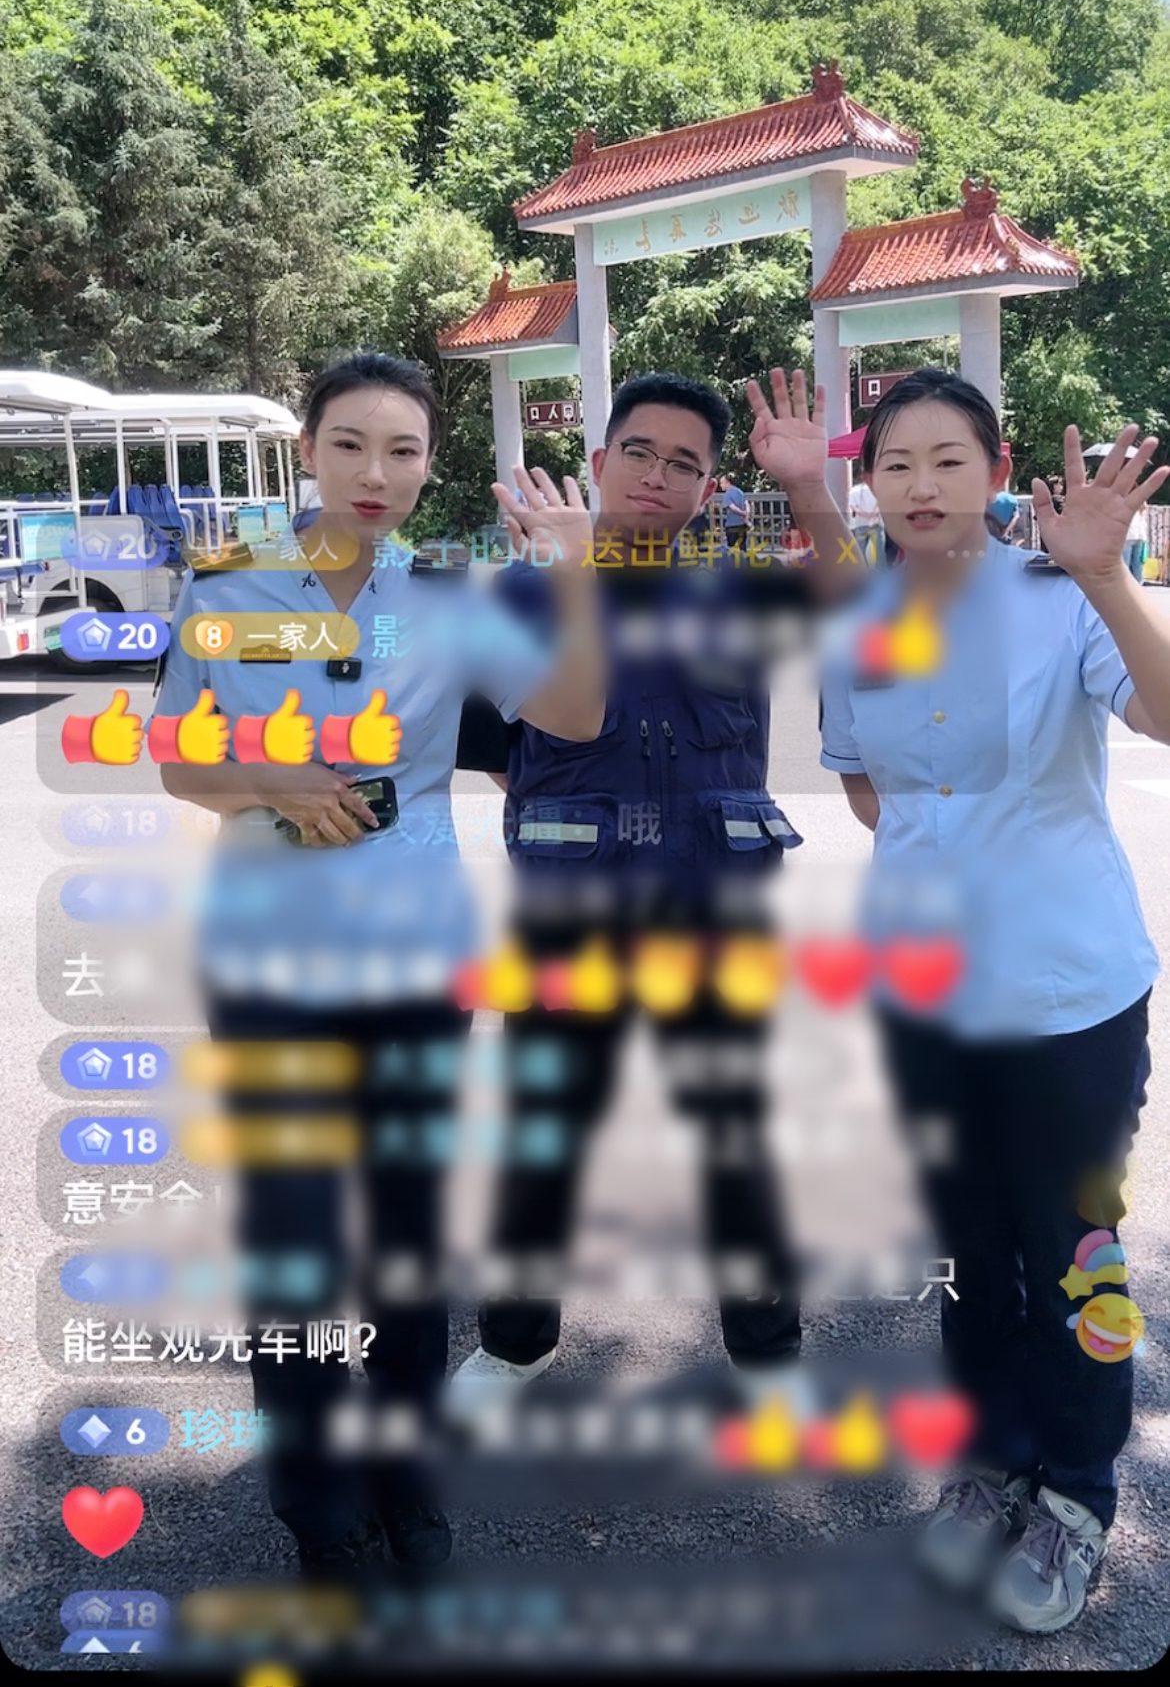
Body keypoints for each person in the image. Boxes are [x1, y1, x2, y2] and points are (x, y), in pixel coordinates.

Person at [151, 352, 606, 1582]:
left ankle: (405, 1471)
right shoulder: (227, 582)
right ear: (307, 451)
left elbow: (572, 716)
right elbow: (177, 758)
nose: (375, 471)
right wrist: (273, 780)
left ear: (427, 467)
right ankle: (318, 1504)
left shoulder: (448, 597)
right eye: (349, 443)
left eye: (402, 450)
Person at [819, 367, 1170, 1636]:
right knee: (967, 1249)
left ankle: (1075, 1490)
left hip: (1070, 994)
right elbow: (864, 784)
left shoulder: (1060, 596)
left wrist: (1109, 576)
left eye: (949, 459)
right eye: (896, 463)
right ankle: (992, 1459)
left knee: (1072, 1250)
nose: (920, 485)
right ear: (871, 483)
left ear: (999, 467)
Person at [448, 368, 859, 1419]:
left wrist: (809, 490)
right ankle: (514, 1345)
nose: (657, 476)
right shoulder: (520, 593)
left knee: (734, 1135)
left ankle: (768, 1352)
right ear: (600, 460)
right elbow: (498, 757)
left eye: (685, 464)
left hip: (714, 909)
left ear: (709, 487)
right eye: (640, 451)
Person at [850, 472, 884, 565]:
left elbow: (853, 507)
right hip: (876, 523)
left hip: (860, 524)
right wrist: (873, 513)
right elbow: (880, 503)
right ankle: (880, 570)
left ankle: (861, 569)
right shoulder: (878, 489)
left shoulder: (854, 490)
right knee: (879, 552)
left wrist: (865, 514)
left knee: (860, 551)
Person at [715, 471, 753, 551]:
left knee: (731, 548)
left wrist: (742, 513)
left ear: (727, 483)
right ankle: (743, 558)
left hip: (731, 525)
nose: (720, 485)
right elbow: (747, 504)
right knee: (742, 547)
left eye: (721, 483)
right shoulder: (739, 492)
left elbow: (732, 507)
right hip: (742, 524)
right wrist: (746, 517)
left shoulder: (727, 494)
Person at [1123, 503, 1147, 583]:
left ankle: (1125, 582)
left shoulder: (1129, 507)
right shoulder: (1142, 509)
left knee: (1125, 562)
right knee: (1136, 562)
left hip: (1129, 535)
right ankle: (1138, 581)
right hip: (1140, 536)